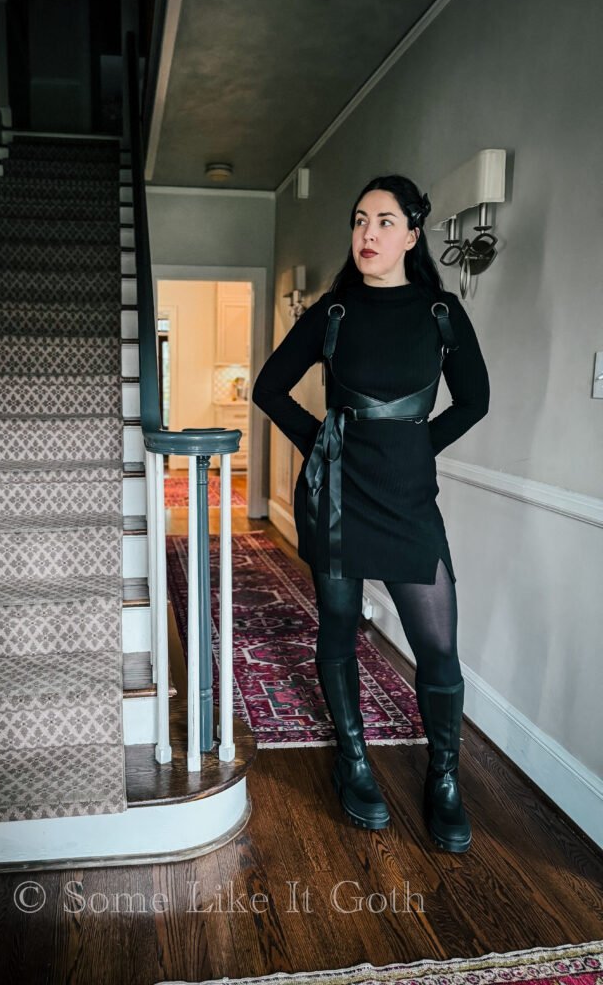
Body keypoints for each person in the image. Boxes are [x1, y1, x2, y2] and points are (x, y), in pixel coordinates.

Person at [251, 174, 490, 853]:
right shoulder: (334, 313)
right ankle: (352, 760)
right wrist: (324, 442)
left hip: (408, 503)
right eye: (360, 220)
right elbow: (271, 388)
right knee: (339, 626)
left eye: (384, 221)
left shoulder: (441, 313)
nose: (367, 233)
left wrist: (417, 448)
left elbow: (472, 401)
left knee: (439, 651)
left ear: (413, 235)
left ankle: (444, 777)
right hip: (337, 496)